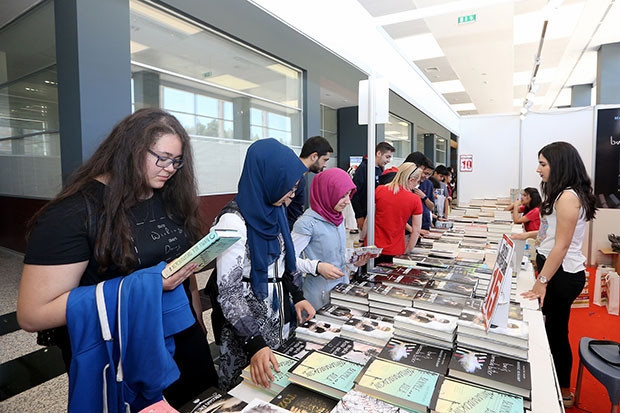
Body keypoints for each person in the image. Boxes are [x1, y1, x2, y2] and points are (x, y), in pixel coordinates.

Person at [16, 108, 217, 409]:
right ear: (129, 149)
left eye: (177, 161)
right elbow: (33, 314)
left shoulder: (169, 198)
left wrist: (196, 319)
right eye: (161, 157)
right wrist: (147, 285)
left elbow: (182, 268)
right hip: (122, 349)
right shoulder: (73, 214)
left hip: (181, 335)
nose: (170, 168)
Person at [210, 138, 316, 391]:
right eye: (287, 188)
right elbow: (229, 291)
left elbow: (283, 259)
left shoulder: (274, 209)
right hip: (247, 329)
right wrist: (254, 343)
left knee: (274, 388)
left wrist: (298, 295)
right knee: (245, 388)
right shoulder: (232, 221)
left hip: (276, 317)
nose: (291, 195)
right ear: (268, 178)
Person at [519, 141, 597, 409]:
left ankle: (562, 388)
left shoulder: (568, 197)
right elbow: (548, 235)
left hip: (561, 274)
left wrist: (542, 282)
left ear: (559, 165)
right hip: (554, 268)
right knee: (551, 328)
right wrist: (527, 237)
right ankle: (553, 381)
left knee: (555, 332)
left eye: (543, 164)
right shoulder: (562, 194)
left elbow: (561, 245)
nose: (538, 170)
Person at [291, 168, 370, 310]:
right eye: (342, 196)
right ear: (327, 193)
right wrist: (317, 267)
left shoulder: (337, 217)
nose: (347, 201)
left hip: (341, 288)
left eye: (348, 195)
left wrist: (353, 260)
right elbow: (288, 259)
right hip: (318, 295)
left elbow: (336, 253)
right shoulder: (307, 223)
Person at [372, 162, 423, 264]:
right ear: (411, 180)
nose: (416, 186)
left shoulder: (379, 190)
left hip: (373, 246)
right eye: (417, 182)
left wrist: (361, 240)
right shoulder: (415, 199)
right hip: (395, 249)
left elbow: (370, 219)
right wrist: (407, 251)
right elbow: (416, 231)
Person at [287, 136, 333, 231]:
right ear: (314, 156)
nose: (325, 165)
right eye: (325, 160)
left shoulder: (297, 175)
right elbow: (281, 207)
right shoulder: (296, 178)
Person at [350, 141, 395, 232]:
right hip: (365, 214)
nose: (388, 161)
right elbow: (355, 193)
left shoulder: (380, 169)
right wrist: (359, 216)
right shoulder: (364, 168)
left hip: (376, 215)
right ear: (378, 153)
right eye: (387, 157)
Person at [404, 152, 435, 234]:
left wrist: (424, 197)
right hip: (409, 226)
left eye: (429, 175)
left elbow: (432, 207)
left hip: (424, 224)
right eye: (425, 173)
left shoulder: (428, 184)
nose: (426, 177)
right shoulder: (407, 183)